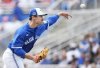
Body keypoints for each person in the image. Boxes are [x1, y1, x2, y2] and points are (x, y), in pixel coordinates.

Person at [2, 8, 71, 68]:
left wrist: (59, 14)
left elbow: (50, 21)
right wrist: (33, 58)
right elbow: (16, 50)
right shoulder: (22, 31)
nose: (42, 18)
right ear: (33, 17)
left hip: (18, 57)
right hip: (12, 55)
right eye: (40, 16)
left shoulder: (40, 26)